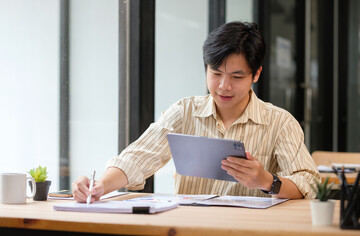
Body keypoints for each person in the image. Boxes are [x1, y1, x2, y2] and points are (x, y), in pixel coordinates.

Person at [72, 21, 320, 202]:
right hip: (187, 227)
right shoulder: (184, 111)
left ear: (256, 74)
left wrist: (267, 181)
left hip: (249, 232)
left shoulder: (280, 122)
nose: (223, 86)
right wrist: (100, 186)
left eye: (236, 76)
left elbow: (309, 184)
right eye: (215, 73)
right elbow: (137, 158)